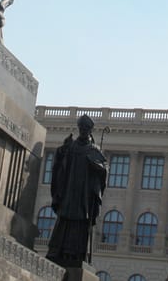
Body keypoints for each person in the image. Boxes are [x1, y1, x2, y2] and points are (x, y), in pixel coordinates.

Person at [47, 114, 108, 268]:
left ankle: (76, 253)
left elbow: (103, 170)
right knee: (64, 220)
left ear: (90, 130)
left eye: (86, 129)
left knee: (79, 223)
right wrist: (62, 150)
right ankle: (57, 251)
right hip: (69, 192)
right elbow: (60, 164)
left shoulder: (94, 149)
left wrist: (98, 168)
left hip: (83, 195)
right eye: (81, 128)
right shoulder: (71, 146)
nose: (83, 131)